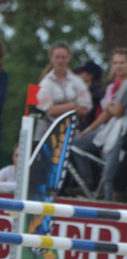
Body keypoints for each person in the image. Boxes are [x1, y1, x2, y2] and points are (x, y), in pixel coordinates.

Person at [70, 48, 127, 201]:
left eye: (122, 62)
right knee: (76, 143)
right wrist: (88, 129)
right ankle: (88, 183)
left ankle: (109, 206)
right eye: (115, 63)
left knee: (110, 173)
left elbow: (117, 111)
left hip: (121, 132)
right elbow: (108, 112)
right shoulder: (114, 85)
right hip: (111, 128)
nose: (119, 66)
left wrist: (109, 107)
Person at [34, 42, 91, 140]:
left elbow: (84, 109)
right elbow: (48, 110)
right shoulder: (45, 83)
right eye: (57, 57)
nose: (60, 61)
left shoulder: (77, 81)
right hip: (50, 132)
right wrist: (72, 106)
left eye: (63, 57)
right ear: (51, 58)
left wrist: (60, 109)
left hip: (73, 130)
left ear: (68, 58)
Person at [74, 60, 105, 131]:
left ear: (89, 76)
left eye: (81, 73)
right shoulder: (96, 91)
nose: (78, 76)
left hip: (94, 130)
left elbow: (89, 117)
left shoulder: (95, 94)